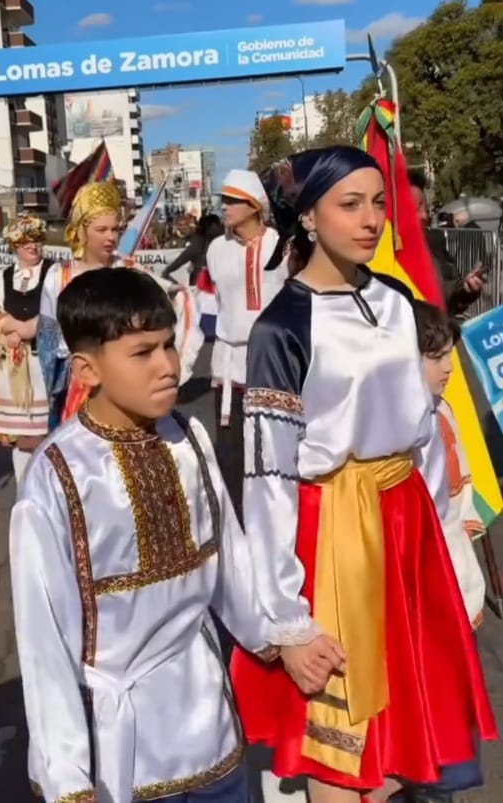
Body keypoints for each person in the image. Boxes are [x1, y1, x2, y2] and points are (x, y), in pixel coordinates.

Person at [230, 147, 496, 803]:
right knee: (339, 737)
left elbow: (422, 433)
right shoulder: (282, 326)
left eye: (377, 202)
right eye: (350, 204)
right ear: (309, 217)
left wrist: (443, 542)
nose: (371, 218)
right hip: (331, 536)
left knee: (400, 732)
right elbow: (267, 477)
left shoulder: (397, 302)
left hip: (405, 525)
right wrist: (287, 620)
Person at [10, 267, 290, 803]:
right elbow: (44, 639)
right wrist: (68, 779)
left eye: (168, 345)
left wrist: (280, 639)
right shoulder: (60, 475)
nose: (167, 366)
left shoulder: (189, 437)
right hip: (124, 755)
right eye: (142, 353)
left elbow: (231, 562)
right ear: (87, 368)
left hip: (212, 730)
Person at [389, 300, 487, 803]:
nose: (448, 367)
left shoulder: (444, 409)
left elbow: (458, 495)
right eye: (434, 356)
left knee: (446, 731)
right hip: (409, 602)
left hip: (450, 589)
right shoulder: (384, 427)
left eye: (449, 354)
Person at [206, 169, 287, 521]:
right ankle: (237, 531)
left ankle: (277, 526)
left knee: (273, 452)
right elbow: (211, 304)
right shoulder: (215, 249)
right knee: (232, 455)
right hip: (227, 367)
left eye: (231, 200)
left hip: (273, 364)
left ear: (254, 205)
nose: (223, 207)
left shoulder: (281, 245)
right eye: (222, 200)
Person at [38, 181, 123, 427]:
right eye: (102, 229)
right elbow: (47, 339)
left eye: (115, 229)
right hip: (74, 383)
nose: (111, 237)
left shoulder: (128, 271)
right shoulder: (59, 276)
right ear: (82, 232)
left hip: (120, 380)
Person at [0, 215, 52, 485]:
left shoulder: (54, 272)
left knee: (48, 434)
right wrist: (7, 330)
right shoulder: (3, 277)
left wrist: (27, 329)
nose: (32, 246)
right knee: (22, 438)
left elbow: (59, 308)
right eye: (25, 241)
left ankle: (52, 492)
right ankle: (25, 491)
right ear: (14, 244)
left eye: (35, 240)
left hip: (44, 364)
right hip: (15, 366)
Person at [408, 172, 484, 315]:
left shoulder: (433, 245)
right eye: (416, 209)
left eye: (425, 208)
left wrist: (465, 289)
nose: (424, 216)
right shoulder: (379, 258)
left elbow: (443, 292)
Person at [162, 213, 224, 286]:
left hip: (203, 288)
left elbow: (173, 266)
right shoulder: (226, 241)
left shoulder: (199, 243)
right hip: (212, 288)